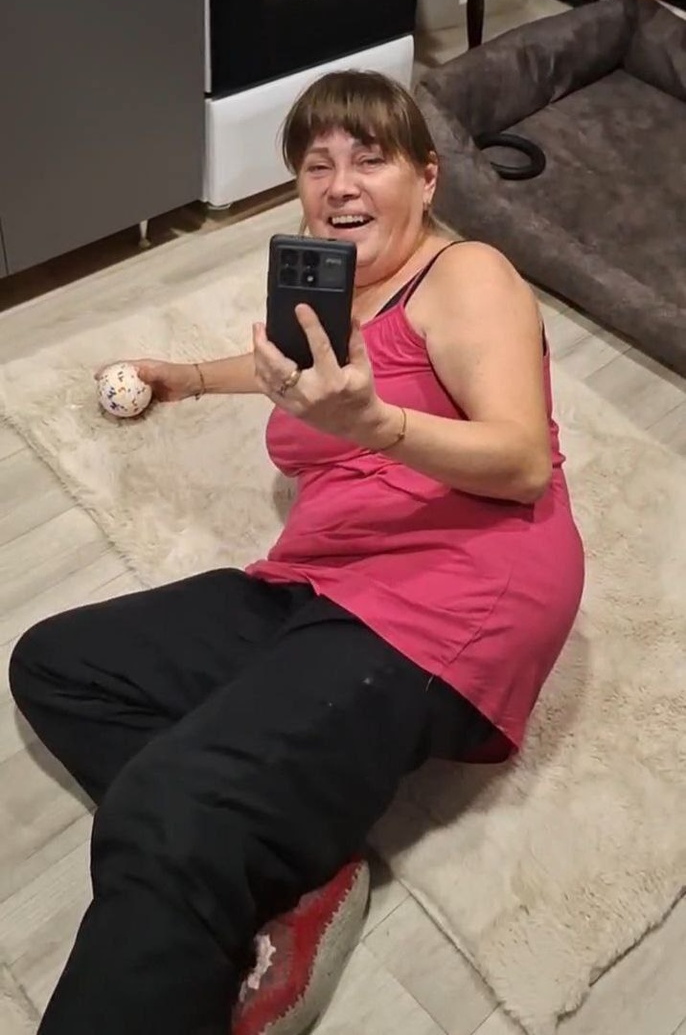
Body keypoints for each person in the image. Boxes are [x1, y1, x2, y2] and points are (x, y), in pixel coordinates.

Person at [9, 70, 585, 1035]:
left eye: (370, 159)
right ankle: (291, 867)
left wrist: (379, 426)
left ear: (428, 179)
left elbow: (523, 462)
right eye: (317, 165)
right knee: (58, 665)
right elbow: (281, 376)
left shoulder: (466, 274)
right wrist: (185, 377)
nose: (339, 183)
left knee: (170, 806)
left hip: (449, 593)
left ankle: (211, 833)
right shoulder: (336, 300)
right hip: (324, 580)